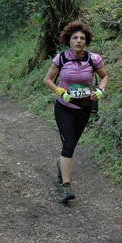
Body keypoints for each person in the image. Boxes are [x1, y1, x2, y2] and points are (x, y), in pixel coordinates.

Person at [43, 21, 109, 202]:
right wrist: (60, 91)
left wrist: (100, 91)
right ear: (68, 41)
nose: (78, 41)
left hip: (83, 108)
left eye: (82, 38)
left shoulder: (93, 59)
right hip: (64, 108)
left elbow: (104, 77)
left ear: (86, 42)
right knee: (69, 144)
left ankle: (60, 163)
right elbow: (47, 80)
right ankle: (66, 186)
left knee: (71, 144)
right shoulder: (61, 59)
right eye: (75, 38)